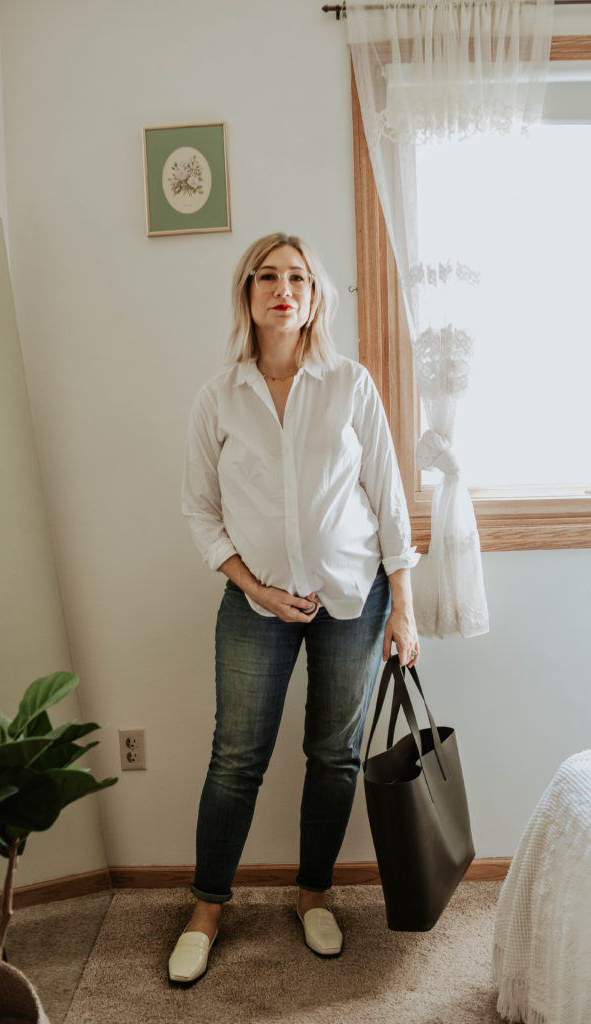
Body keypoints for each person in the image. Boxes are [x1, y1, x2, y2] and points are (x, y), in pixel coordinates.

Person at [170, 232, 419, 984]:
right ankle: (208, 907)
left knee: (333, 755)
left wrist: (402, 609)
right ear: (247, 294)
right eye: (268, 277)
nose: (284, 288)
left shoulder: (350, 384)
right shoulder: (218, 396)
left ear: (315, 298)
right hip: (255, 604)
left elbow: (388, 496)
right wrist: (255, 588)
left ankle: (314, 893)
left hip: (353, 599)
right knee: (236, 758)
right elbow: (200, 513)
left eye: (298, 279)